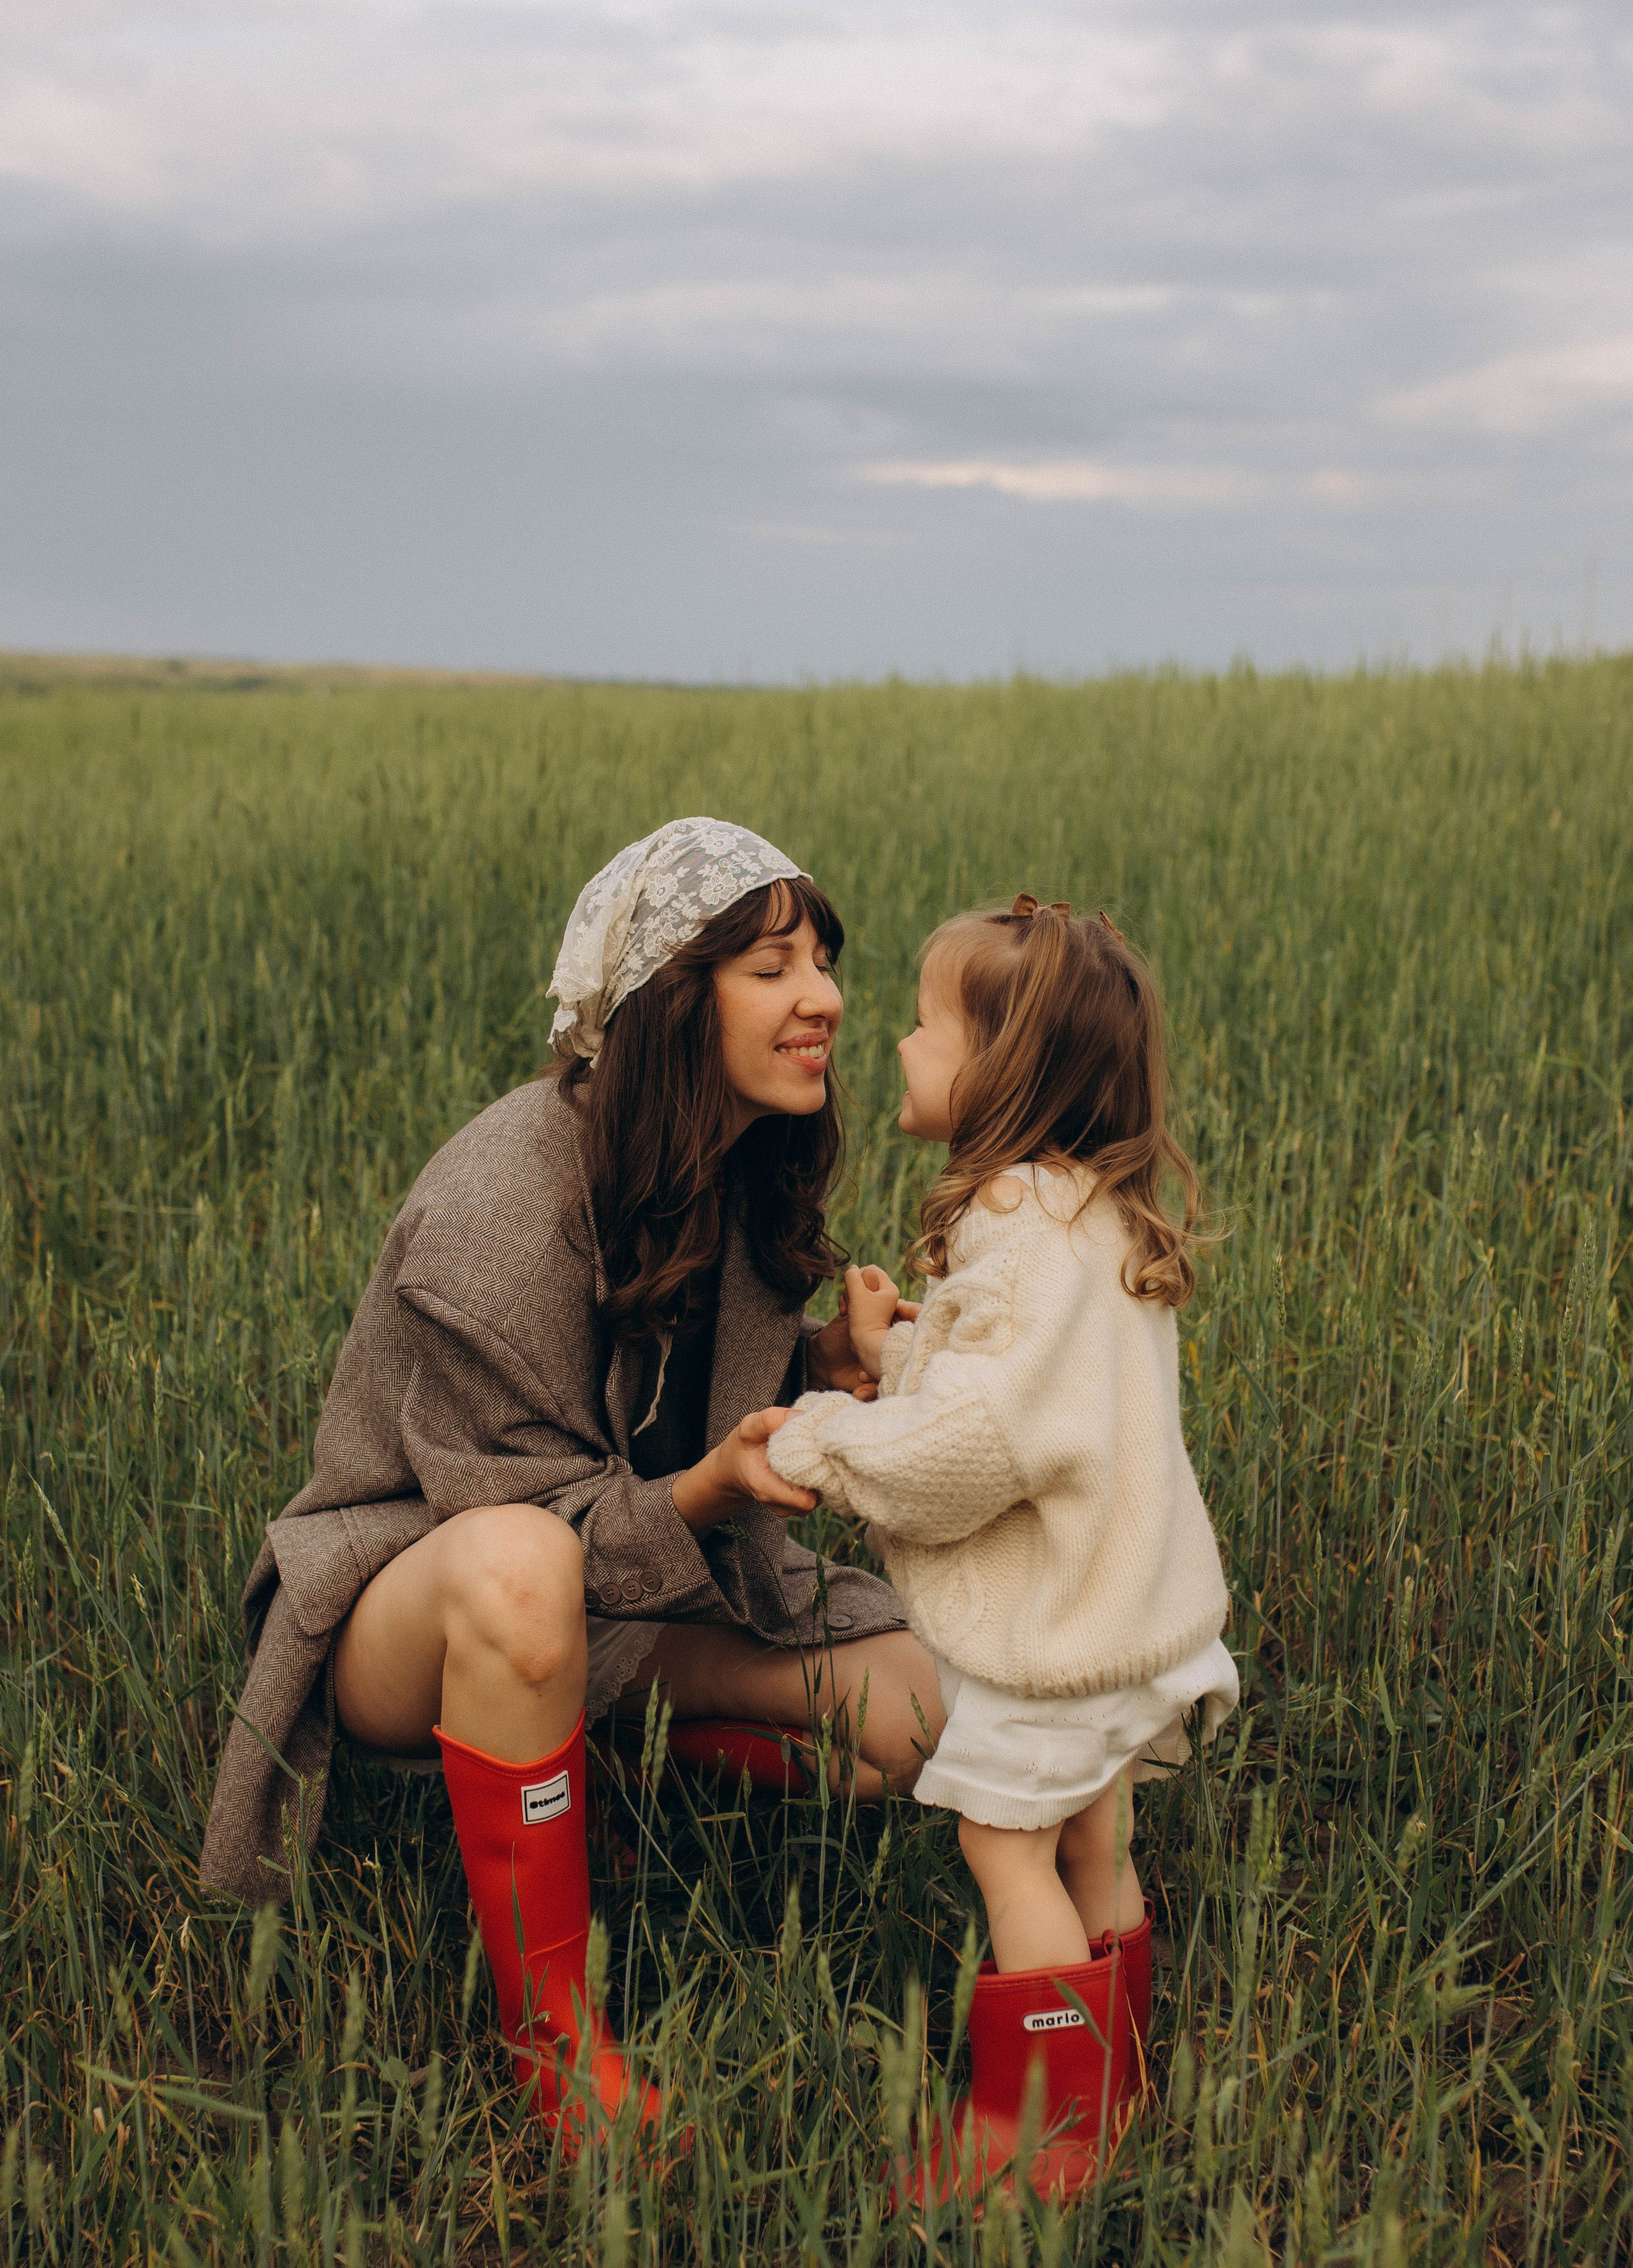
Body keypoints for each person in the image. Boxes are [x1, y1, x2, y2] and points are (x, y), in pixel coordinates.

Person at [200, 817, 944, 2135]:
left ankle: (596, 1764)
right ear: (669, 997)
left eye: (821, 961)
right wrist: (711, 1495)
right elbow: (524, 1505)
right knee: (520, 1566)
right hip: (411, 1593)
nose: (823, 997)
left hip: (626, 1594)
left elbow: (672, 1411)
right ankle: (549, 2030)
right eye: (771, 968)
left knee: (915, 1714)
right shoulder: (501, 1204)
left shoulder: (740, 1159)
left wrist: (822, 1364)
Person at [765, 894, 1236, 2193]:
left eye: (925, 1028)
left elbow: (974, 1451)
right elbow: (1034, 1403)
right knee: (1094, 1840)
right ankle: (1117, 2072)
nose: (898, 1045)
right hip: (1126, 1618)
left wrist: (818, 1439)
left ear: (996, 1073)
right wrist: (895, 1350)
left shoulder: (1015, 1233)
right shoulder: (1084, 1214)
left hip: (1052, 1641)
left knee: (1002, 1848)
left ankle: (1039, 2127)